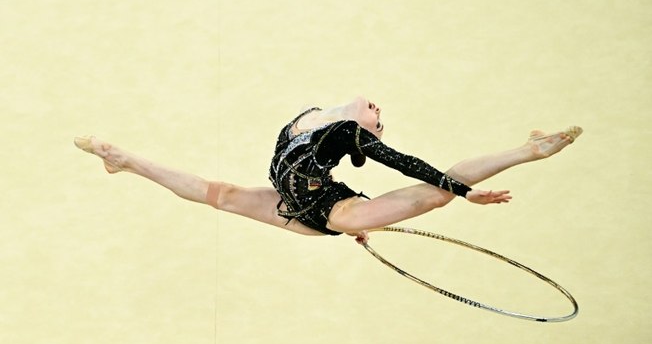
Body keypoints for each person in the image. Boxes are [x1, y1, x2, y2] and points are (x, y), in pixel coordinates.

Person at [74, 97, 582, 244]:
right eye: (378, 114)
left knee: (436, 192)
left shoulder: (344, 132)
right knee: (220, 194)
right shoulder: (309, 116)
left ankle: (529, 150)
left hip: (330, 211)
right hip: (295, 204)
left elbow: (405, 163)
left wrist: (463, 192)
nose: (379, 111)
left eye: (378, 120)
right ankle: (124, 160)